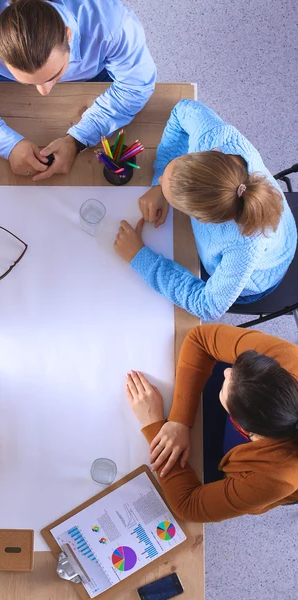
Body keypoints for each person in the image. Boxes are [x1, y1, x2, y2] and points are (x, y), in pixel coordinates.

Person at [114, 100, 297, 321]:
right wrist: (158, 187)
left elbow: (208, 307)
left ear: (203, 218)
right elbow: (182, 109)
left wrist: (141, 258)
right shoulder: (214, 138)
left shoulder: (244, 245)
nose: (162, 178)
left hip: (259, 277)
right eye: (168, 175)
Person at [0, 0, 156, 180]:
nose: (44, 93)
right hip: (3, 86)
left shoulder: (113, 24)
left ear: (68, 36)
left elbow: (135, 86)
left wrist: (79, 139)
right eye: (30, 82)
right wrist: (7, 143)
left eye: (53, 76)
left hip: (93, 79)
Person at [125, 324, 298, 523]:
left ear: (241, 427)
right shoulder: (289, 359)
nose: (226, 372)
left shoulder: (277, 478)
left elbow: (189, 506)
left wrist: (153, 422)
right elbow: (200, 338)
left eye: (226, 389)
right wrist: (179, 419)